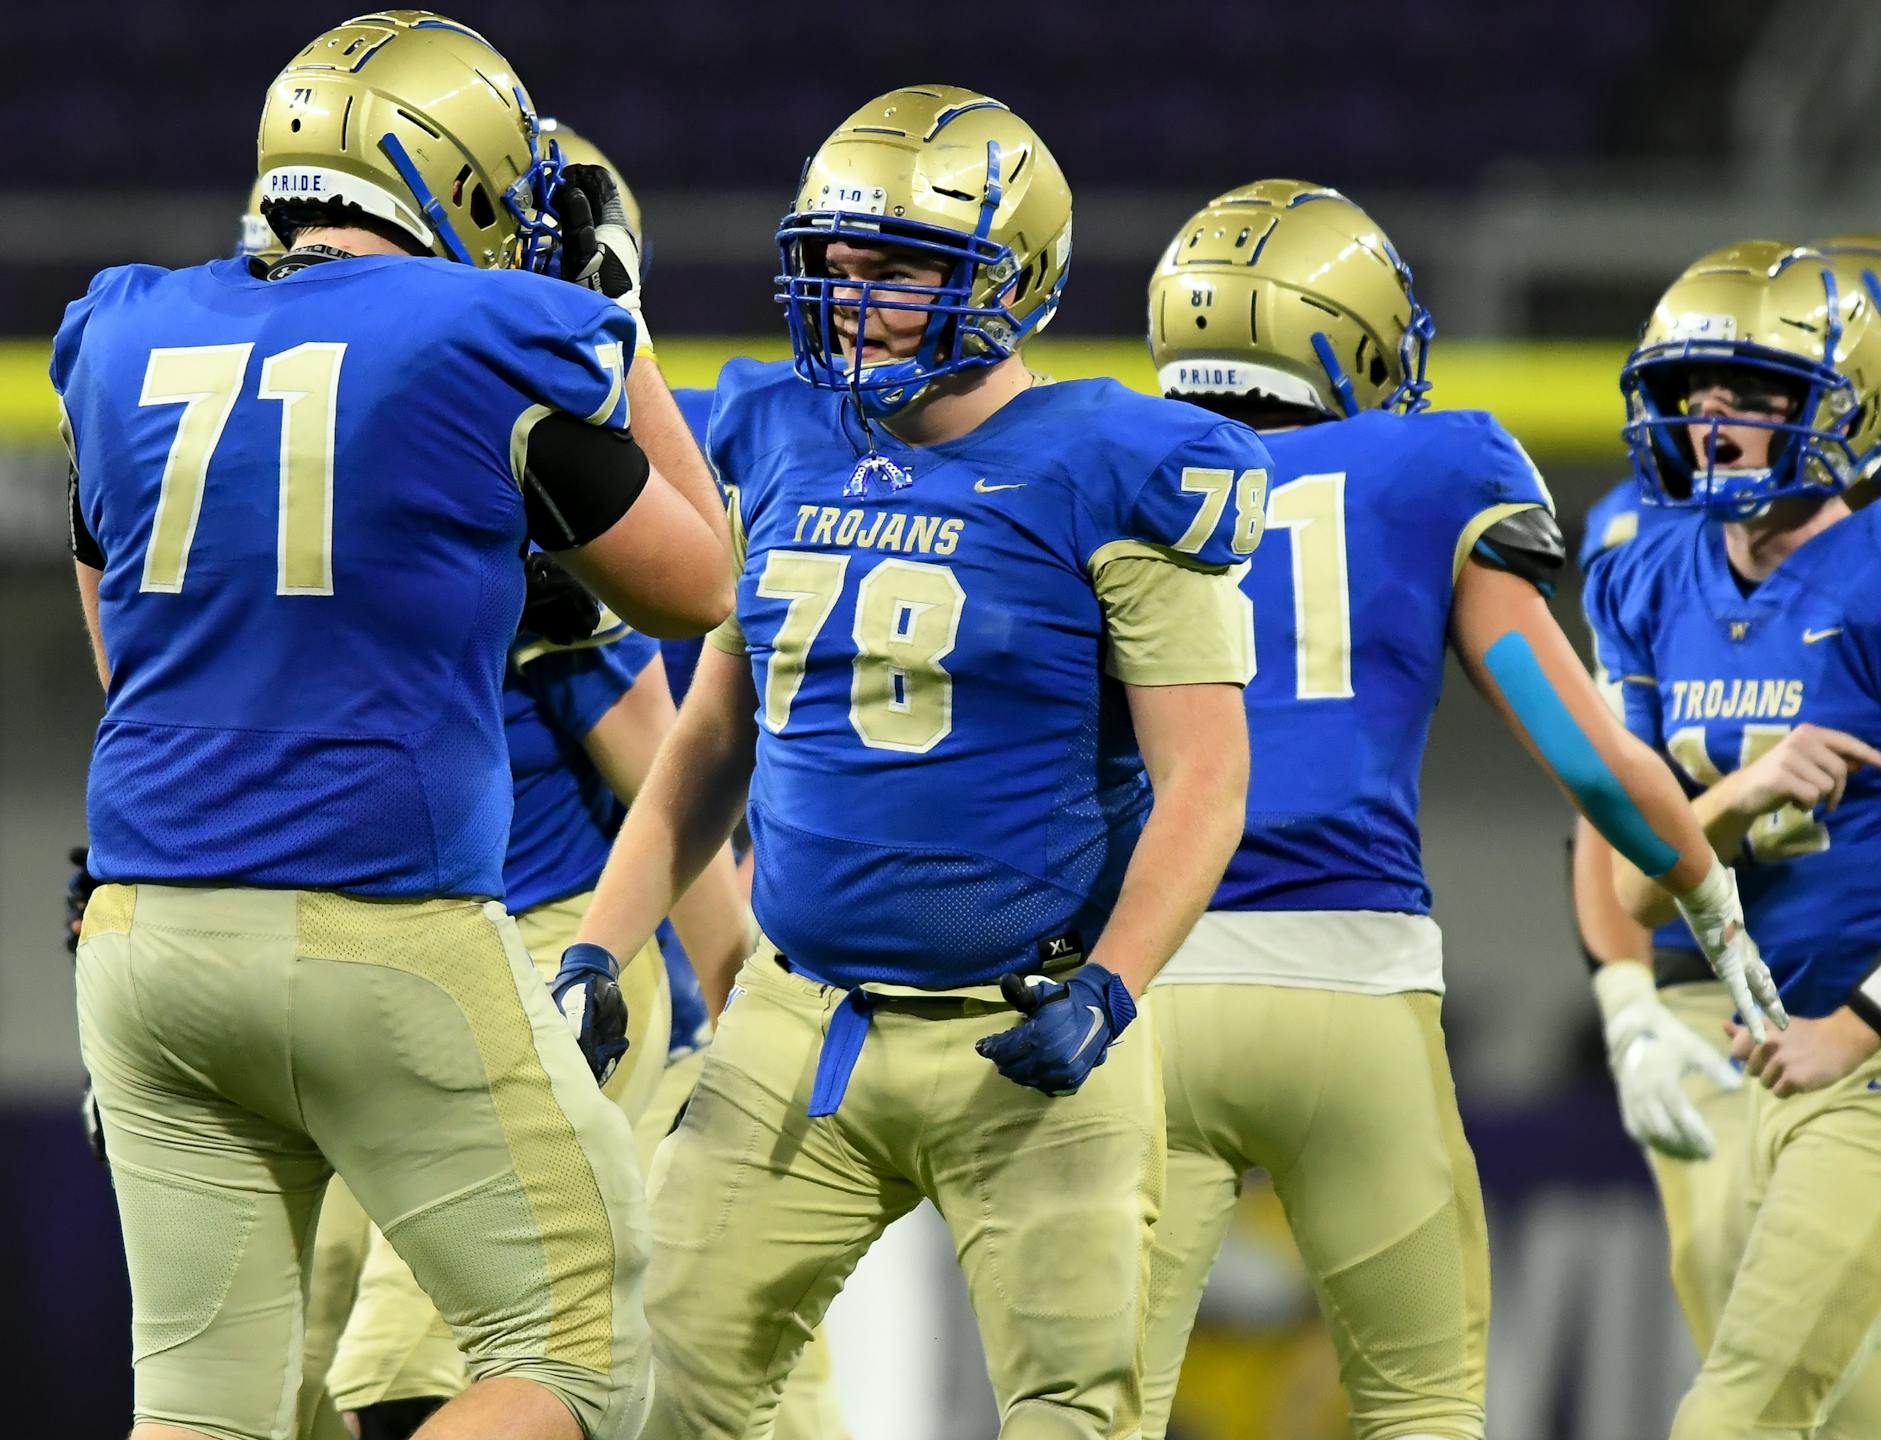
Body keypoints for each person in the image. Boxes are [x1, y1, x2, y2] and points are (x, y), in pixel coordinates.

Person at [56, 13, 731, 1439]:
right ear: (467, 182)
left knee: (200, 1404)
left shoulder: (123, 330)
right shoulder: (484, 331)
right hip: (380, 925)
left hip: (144, 935)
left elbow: (113, 616)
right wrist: (626, 334)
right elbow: (698, 582)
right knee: (577, 1352)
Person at [569, 84, 1268, 1439]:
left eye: (896, 269)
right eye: (834, 266)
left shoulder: (1116, 466)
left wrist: (1115, 989)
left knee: (1076, 1414)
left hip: (1033, 1024)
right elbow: (715, 732)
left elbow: (1208, 782)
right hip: (803, 1016)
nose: (851, 301)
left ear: (1013, 278)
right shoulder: (778, 440)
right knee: (656, 1384)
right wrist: (606, 941)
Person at [1133, 180, 1784, 1440]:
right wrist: (1710, 898)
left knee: (1091, 1407)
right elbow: (1586, 755)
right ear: (1344, 330)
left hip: (1146, 985)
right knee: (1423, 1410)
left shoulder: (1094, 456)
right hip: (1353, 995)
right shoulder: (1430, 464)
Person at [1583, 240, 1881, 1440]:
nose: (1714, 425)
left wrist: (1859, 1026)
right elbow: (1639, 890)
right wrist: (1736, 802)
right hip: (1772, 1048)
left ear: (1840, 409)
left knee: (1733, 1417)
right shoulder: (1652, 572)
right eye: (1699, 395)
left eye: (1755, 397)